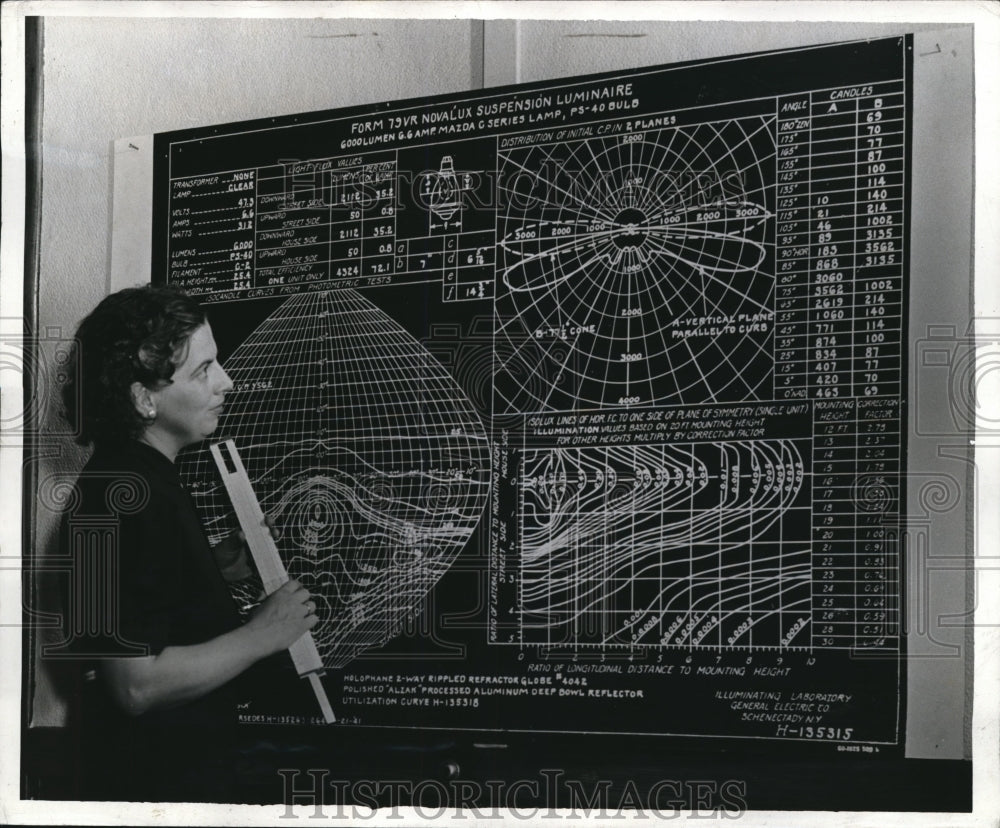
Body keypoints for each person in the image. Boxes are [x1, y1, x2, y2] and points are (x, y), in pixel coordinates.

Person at [57, 284, 318, 801]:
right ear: (143, 398)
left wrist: (212, 571)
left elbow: (142, 601)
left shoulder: (139, 479)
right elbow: (134, 686)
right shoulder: (119, 495)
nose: (227, 382)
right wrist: (263, 633)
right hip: (149, 788)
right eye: (203, 370)